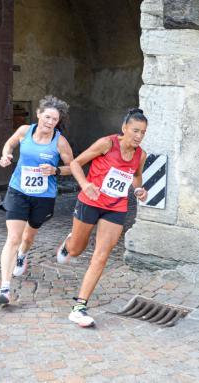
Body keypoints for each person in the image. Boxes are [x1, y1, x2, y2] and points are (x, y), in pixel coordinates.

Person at [56, 108, 149, 327]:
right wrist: (85, 184)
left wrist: (138, 190)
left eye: (143, 132)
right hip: (90, 202)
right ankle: (69, 243)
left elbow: (135, 176)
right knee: (77, 249)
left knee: (101, 255)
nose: (139, 136)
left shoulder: (140, 155)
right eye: (135, 130)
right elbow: (76, 164)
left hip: (116, 207)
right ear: (124, 128)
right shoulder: (106, 144)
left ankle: (79, 307)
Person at [0, 95, 74, 305]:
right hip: (18, 191)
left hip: (42, 196)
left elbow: (73, 167)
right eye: (47, 117)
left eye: (54, 119)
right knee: (13, 237)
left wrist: (55, 170)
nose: (49, 122)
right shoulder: (24, 131)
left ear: (58, 122)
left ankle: (23, 254)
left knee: (28, 237)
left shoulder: (60, 142)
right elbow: (9, 145)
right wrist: (6, 156)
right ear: (38, 114)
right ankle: (4, 288)